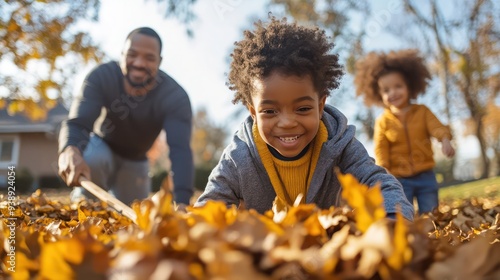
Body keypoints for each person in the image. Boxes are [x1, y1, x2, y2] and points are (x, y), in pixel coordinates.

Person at [194, 16, 414, 221]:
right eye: (270, 111)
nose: (288, 122)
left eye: (302, 108)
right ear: (253, 112)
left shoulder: (340, 145)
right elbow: (210, 206)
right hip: (268, 252)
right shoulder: (238, 158)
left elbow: (381, 184)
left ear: (320, 107)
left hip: (326, 251)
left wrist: (392, 221)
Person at [58, 27, 194, 206]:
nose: (139, 63)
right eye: (132, 54)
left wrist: (182, 202)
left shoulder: (175, 97)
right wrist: (69, 149)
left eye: (149, 58)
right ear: (122, 55)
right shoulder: (101, 76)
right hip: (101, 147)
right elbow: (78, 122)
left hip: (137, 161)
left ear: (159, 62)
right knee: (93, 159)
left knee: (135, 212)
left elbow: (180, 150)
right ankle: (82, 200)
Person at [353, 49, 455, 214]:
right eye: (386, 90)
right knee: (403, 215)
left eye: (398, 86)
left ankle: (432, 238)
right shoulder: (383, 121)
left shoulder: (422, 112)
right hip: (398, 179)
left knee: (431, 214)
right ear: (379, 94)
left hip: (425, 176)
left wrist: (444, 139)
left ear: (409, 86)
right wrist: (383, 171)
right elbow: (381, 149)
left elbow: (437, 127)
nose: (393, 93)